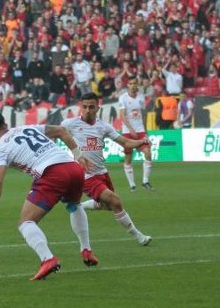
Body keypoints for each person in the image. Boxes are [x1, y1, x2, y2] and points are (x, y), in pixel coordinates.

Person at [0, 110, 96, 280]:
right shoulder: (28, 128)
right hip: (73, 167)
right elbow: (61, 131)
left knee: (25, 222)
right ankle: (86, 250)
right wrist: (79, 156)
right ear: (5, 125)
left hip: (52, 173)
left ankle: (48, 259)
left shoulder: (2, 149)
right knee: (74, 205)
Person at [62, 93, 153, 246]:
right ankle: (140, 237)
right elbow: (54, 134)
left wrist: (141, 142)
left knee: (107, 205)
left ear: (98, 107)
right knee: (115, 201)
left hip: (102, 172)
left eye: (91, 107)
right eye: (85, 107)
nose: (88, 110)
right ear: (81, 107)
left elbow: (125, 142)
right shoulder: (69, 124)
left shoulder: (103, 126)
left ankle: (79, 206)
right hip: (85, 175)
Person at [117, 77, 154, 191]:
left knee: (147, 152)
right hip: (128, 131)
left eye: (135, 84)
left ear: (137, 85)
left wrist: (146, 131)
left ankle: (145, 181)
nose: (133, 86)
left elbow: (143, 114)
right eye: (131, 83)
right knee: (128, 156)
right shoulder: (123, 98)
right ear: (128, 85)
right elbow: (122, 115)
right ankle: (132, 185)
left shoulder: (141, 97)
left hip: (140, 129)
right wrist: (130, 129)